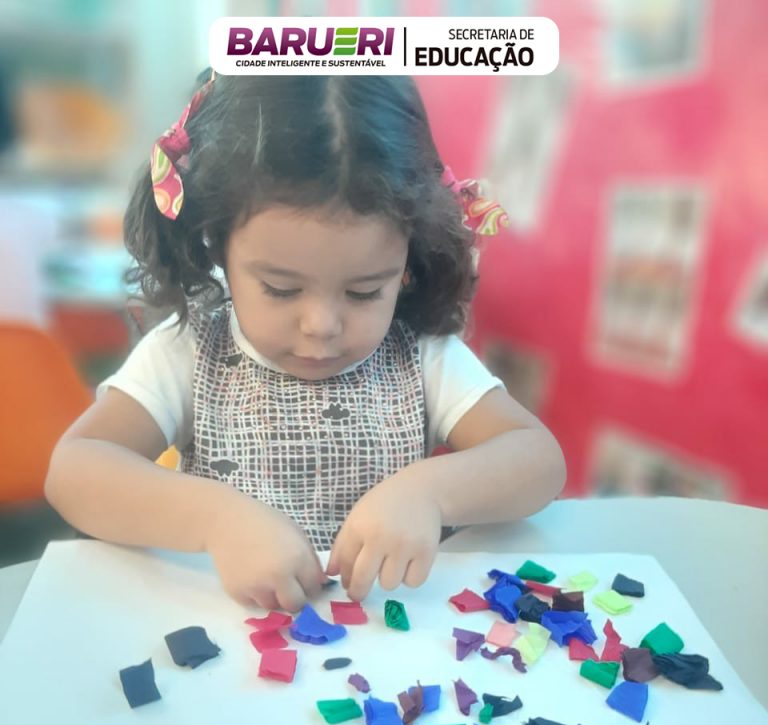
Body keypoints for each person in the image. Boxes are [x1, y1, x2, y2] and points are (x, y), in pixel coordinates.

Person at [45, 72, 566, 613]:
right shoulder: (191, 351)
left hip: (392, 645)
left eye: (364, 292)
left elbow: (539, 460)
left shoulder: (421, 356)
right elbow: (75, 469)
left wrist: (431, 493)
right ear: (217, 246)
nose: (321, 325)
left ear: (408, 260)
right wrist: (214, 519)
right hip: (230, 639)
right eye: (281, 289)